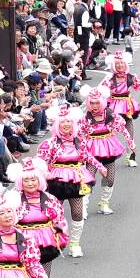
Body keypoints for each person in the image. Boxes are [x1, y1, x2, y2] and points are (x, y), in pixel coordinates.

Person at [38, 104, 107, 259]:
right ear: (57, 125)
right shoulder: (49, 144)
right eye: (63, 122)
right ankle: (56, 241)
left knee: (77, 212)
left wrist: (100, 166)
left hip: (76, 177)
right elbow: (40, 162)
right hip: (55, 180)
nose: (66, 125)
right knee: (54, 214)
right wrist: (45, 173)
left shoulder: (79, 141)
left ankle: (75, 243)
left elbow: (87, 156)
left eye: (69, 122)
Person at [13, 158, 68, 278]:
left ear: (40, 180)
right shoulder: (13, 199)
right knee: (23, 275)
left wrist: (60, 238)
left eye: (33, 179)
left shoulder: (50, 198)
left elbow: (60, 221)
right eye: (26, 180)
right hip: (21, 241)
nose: (30, 183)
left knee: (44, 274)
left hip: (45, 239)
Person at [80, 84, 134, 215]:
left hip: (109, 148)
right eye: (91, 103)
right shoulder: (85, 118)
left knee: (110, 177)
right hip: (91, 150)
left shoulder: (110, 114)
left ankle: (104, 203)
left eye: (97, 103)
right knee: (89, 177)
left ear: (102, 101)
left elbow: (122, 128)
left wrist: (130, 143)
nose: (94, 106)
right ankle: (84, 206)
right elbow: (79, 136)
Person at [103, 52, 140, 167]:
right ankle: (108, 156)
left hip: (127, 106)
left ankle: (130, 156)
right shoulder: (109, 79)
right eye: (117, 63)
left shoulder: (131, 77)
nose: (120, 65)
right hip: (113, 106)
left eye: (122, 63)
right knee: (110, 132)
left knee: (129, 132)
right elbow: (102, 93)